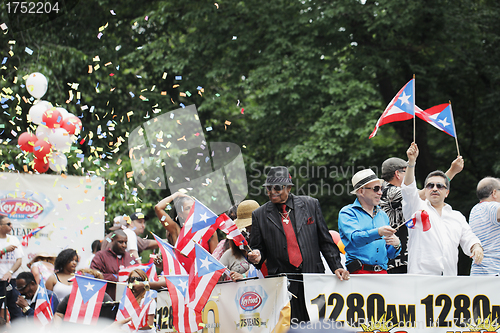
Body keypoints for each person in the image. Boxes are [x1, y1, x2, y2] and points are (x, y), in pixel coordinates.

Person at [248, 166, 349, 323]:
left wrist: (336, 265)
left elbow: (325, 240)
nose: (271, 191)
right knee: (291, 326)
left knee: (317, 324)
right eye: (268, 188)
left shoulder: (310, 204)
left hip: (313, 276)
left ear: (288, 187)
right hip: (282, 283)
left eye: (276, 187)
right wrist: (257, 255)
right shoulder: (259, 215)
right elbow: (258, 247)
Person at [401, 142, 483, 275]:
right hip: (421, 277)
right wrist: (411, 162)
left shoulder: (456, 216)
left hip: (448, 280)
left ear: (447, 192)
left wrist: (476, 247)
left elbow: (469, 237)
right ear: (425, 191)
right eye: (430, 186)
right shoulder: (416, 208)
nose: (434, 188)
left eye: (440, 186)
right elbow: (408, 189)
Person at [380, 156, 464, 273]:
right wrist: (452, 172)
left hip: (400, 255)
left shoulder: (385, 191)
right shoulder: (389, 191)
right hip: (396, 258)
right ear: (397, 174)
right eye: (406, 171)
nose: (409, 174)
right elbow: (419, 195)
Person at [339, 169, 401, 274]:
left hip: (382, 273)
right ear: (361, 191)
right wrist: (379, 232)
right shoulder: (347, 212)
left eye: (381, 188)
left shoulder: (383, 215)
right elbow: (355, 239)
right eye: (376, 189)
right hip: (359, 273)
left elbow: (390, 254)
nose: (380, 192)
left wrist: (396, 245)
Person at [53, 268, 117, 327]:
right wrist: (57, 328)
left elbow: (111, 318)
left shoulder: (104, 297)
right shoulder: (71, 297)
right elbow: (59, 314)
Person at [220, 200, 259, 281]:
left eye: (248, 226)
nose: (247, 230)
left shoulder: (268, 238)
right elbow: (216, 275)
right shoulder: (229, 253)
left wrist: (244, 276)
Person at [91, 229, 134, 300]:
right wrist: (117, 278)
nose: (124, 245)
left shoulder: (130, 258)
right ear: (112, 240)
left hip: (127, 302)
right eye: (120, 242)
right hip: (106, 301)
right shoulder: (101, 256)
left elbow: (139, 273)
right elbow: (94, 275)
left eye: (125, 242)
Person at [469, 177, 500, 275]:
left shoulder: (474, 210)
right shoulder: (492, 206)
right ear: (494, 193)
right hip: (494, 270)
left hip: (478, 270)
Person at [0, 215, 23, 321]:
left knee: (16, 311)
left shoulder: (13, 239)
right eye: (8, 224)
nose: (11, 226)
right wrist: (4, 250)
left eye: (11, 223)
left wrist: (10, 272)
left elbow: (19, 260)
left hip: (11, 280)